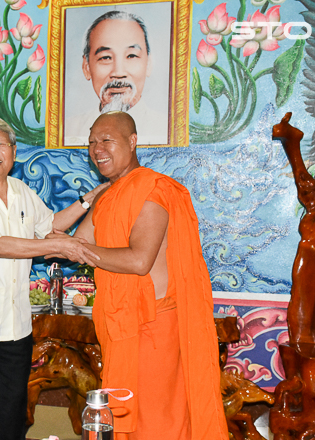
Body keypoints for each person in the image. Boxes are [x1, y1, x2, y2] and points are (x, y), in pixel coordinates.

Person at [67, 111, 227, 439]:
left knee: (157, 421)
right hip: (121, 325)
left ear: (132, 141)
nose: (97, 149)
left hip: (155, 327)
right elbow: (79, 241)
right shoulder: (108, 195)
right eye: (92, 142)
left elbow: (139, 261)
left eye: (107, 140)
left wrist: (76, 250)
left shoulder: (153, 190)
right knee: (124, 414)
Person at [0, 117, 100, 440]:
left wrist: (90, 200)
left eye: (0, 144)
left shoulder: (21, 191)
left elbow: (52, 224)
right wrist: (55, 244)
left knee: (14, 412)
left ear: (13, 151)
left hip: (15, 326)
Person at [64, 11, 169, 146]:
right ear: (86, 67)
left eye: (131, 56)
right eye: (106, 57)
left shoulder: (166, 130)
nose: (118, 73)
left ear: (148, 64)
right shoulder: (68, 130)